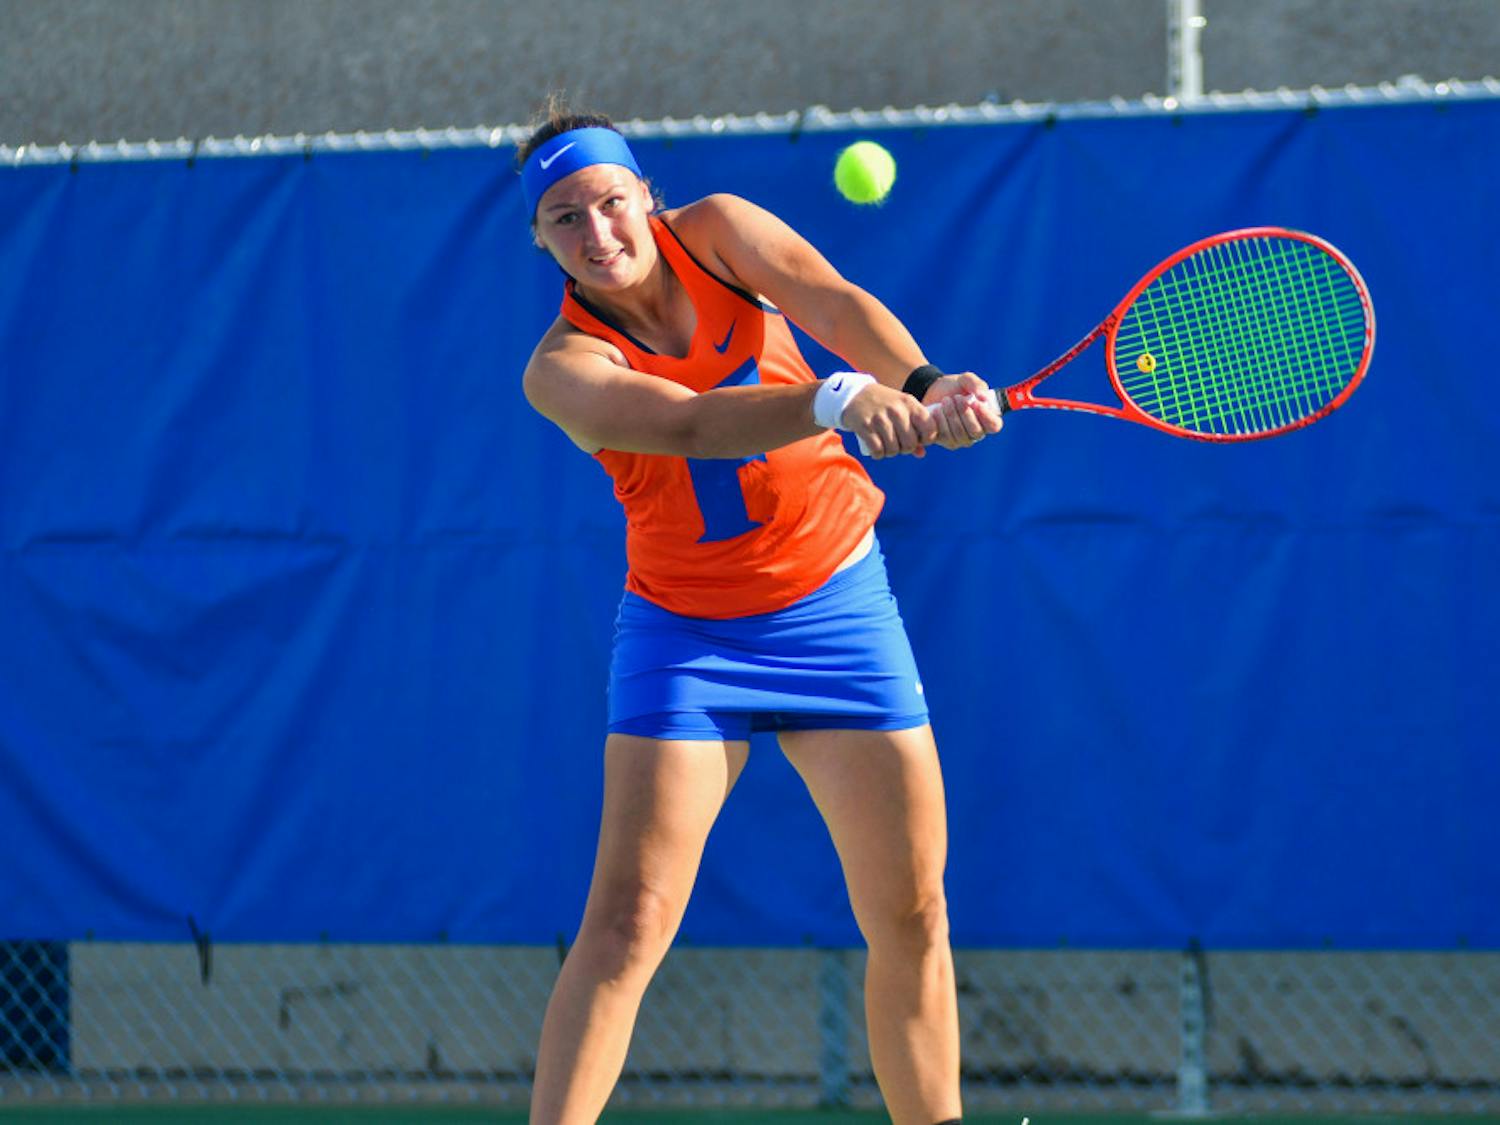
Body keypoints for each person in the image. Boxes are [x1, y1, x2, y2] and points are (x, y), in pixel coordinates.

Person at [517, 104, 1003, 1125]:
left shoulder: (722, 232)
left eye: (610, 202)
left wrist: (923, 382)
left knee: (913, 911)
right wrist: (834, 401)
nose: (598, 232)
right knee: (627, 922)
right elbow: (692, 425)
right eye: (566, 218)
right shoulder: (561, 370)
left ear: (646, 196)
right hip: (686, 638)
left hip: (837, 607)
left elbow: (831, 299)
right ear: (541, 241)